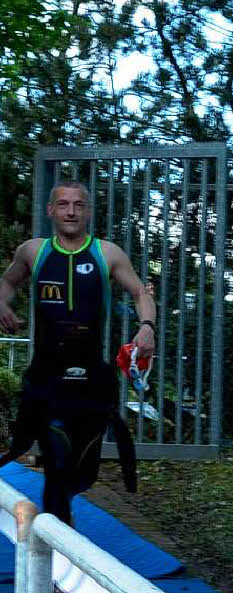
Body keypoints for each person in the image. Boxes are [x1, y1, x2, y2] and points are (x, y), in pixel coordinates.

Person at [0, 180, 156, 524]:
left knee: (83, 473)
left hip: (90, 380)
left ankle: (64, 503)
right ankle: (57, 553)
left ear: (87, 211)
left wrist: (147, 327)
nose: (70, 211)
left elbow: (141, 293)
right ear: (50, 210)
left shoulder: (107, 253)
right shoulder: (34, 251)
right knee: (56, 462)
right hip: (46, 377)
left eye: (78, 205)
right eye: (63, 204)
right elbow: (8, 282)